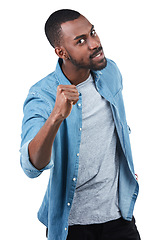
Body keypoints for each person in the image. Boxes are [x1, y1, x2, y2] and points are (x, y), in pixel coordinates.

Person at [20, 9, 141, 240]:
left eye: (92, 32)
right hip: (72, 225)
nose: (95, 43)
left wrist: (124, 169)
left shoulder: (109, 71)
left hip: (118, 216)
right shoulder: (42, 95)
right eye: (81, 41)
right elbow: (31, 165)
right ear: (61, 52)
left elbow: (118, 128)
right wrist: (56, 116)